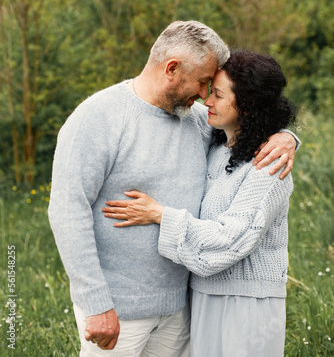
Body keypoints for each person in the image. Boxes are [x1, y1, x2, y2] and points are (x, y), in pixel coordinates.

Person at [49, 21, 298, 357]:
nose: (204, 95)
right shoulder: (97, 118)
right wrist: (95, 303)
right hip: (118, 312)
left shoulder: (196, 120)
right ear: (172, 69)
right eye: (202, 82)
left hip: (182, 311)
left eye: (212, 87)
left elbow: (248, 129)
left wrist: (287, 138)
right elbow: (67, 210)